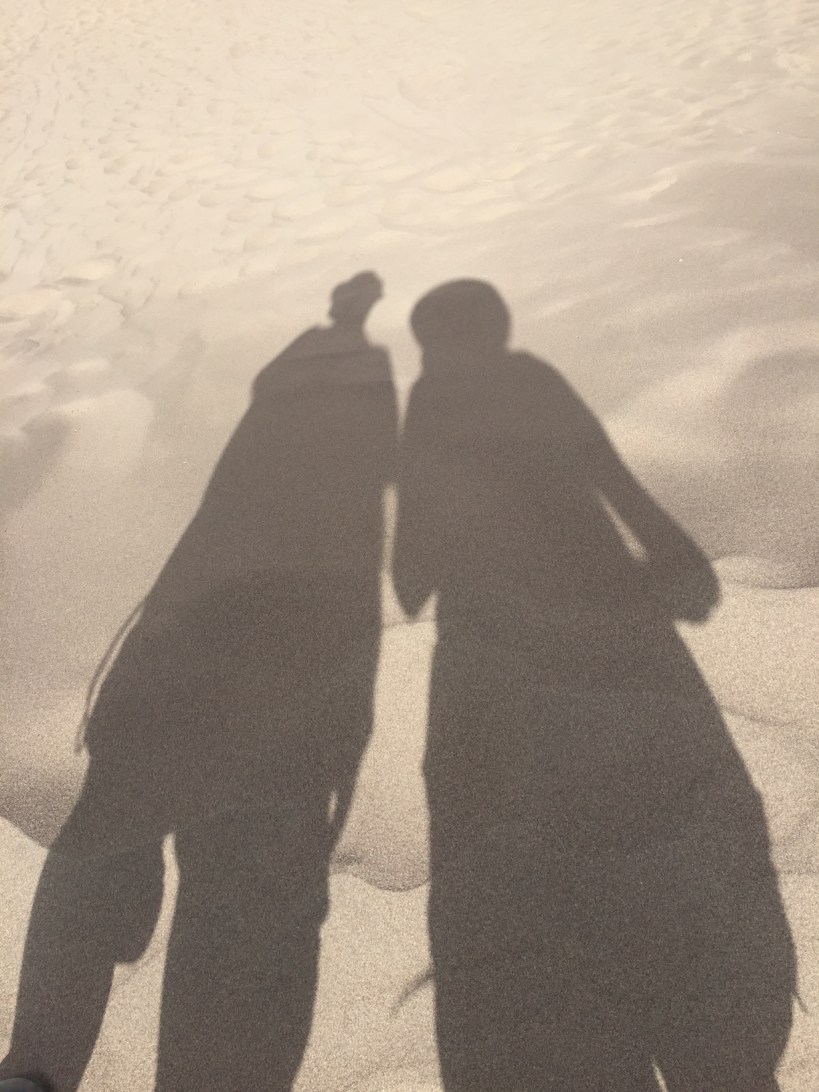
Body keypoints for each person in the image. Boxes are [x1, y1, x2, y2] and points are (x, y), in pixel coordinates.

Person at [393, 279, 795, 1090]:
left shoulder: (432, 404)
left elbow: (410, 570)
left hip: (493, 657)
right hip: (611, 621)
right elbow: (605, 470)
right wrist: (672, 551)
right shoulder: (530, 377)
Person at [1, 273, 398, 1090]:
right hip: (273, 703)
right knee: (243, 897)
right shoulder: (340, 506)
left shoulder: (243, 483)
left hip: (175, 679)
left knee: (112, 838)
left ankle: (33, 1074)